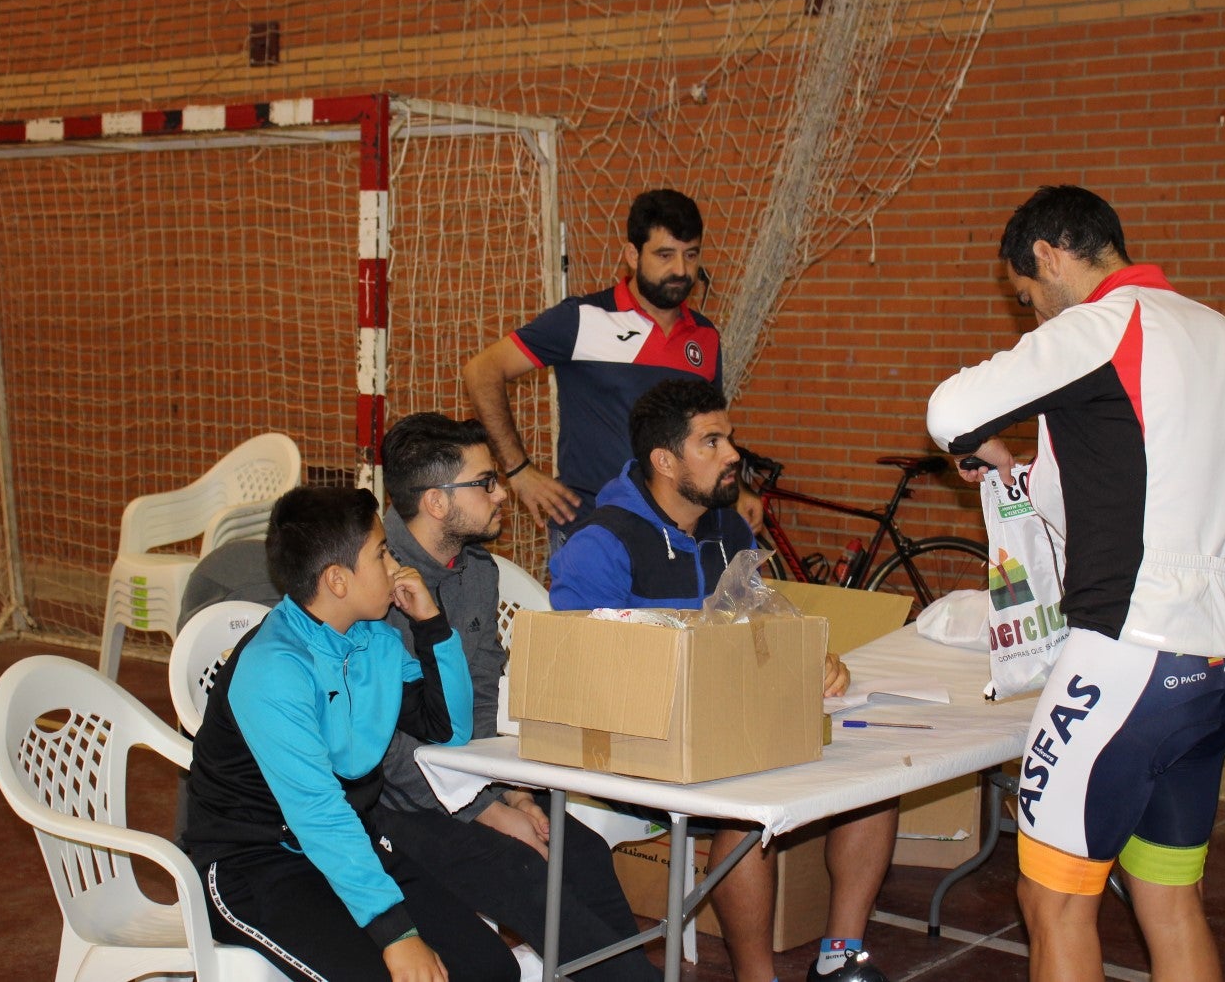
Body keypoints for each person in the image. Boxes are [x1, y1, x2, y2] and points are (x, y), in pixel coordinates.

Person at [926, 185, 1225, 982]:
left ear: (1050, 256)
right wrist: (1013, 463)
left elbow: (949, 409)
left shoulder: (1099, 324)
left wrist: (977, 438)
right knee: (1167, 899)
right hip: (1221, 655)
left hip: (1129, 651)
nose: (1032, 321)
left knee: (1053, 899)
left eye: (1027, 299)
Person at [551, 378, 897, 982]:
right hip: (633, 746)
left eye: (729, 437)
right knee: (744, 813)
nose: (733, 453)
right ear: (664, 461)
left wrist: (812, 659)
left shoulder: (727, 528)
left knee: (875, 778)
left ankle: (840, 959)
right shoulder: (599, 544)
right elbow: (586, 673)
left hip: (727, 726)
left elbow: (758, 625)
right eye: (711, 442)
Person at [374, 411, 661, 981]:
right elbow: (383, 747)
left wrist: (508, 793)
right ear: (435, 502)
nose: (501, 493)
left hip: (464, 782)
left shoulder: (477, 573)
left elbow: (483, 702)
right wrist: (485, 809)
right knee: (526, 871)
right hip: (391, 805)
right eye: (484, 483)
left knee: (579, 853)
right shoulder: (376, 581)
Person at [182, 484, 504, 981]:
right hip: (255, 864)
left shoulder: (372, 637)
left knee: (491, 968)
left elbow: (448, 730)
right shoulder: (274, 669)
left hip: (346, 845)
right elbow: (317, 812)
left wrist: (431, 625)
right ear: (337, 580)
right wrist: (397, 935)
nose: (396, 565)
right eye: (381, 553)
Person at [463, 187, 758, 542]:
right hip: (593, 531)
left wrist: (736, 489)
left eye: (690, 255)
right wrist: (519, 470)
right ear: (632, 255)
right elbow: (482, 370)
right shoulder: (582, 319)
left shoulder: (706, 336)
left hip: (678, 537)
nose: (681, 269)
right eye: (665, 255)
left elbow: (710, 431)